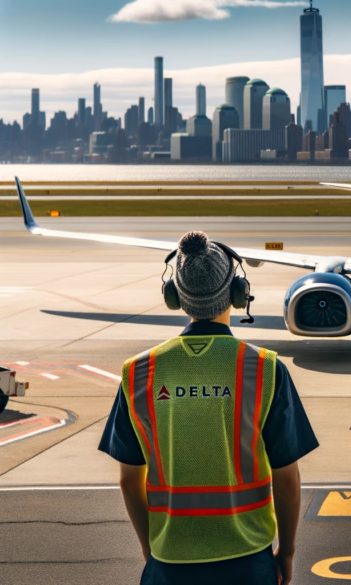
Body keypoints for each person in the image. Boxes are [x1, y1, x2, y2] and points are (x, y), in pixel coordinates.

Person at [99, 231, 319, 585]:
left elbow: (129, 481)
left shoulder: (139, 372)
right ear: (237, 293)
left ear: (174, 296)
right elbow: (287, 477)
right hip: (247, 559)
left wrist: (151, 550)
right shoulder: (264, 368)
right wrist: (287, 551)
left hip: (168, 559)